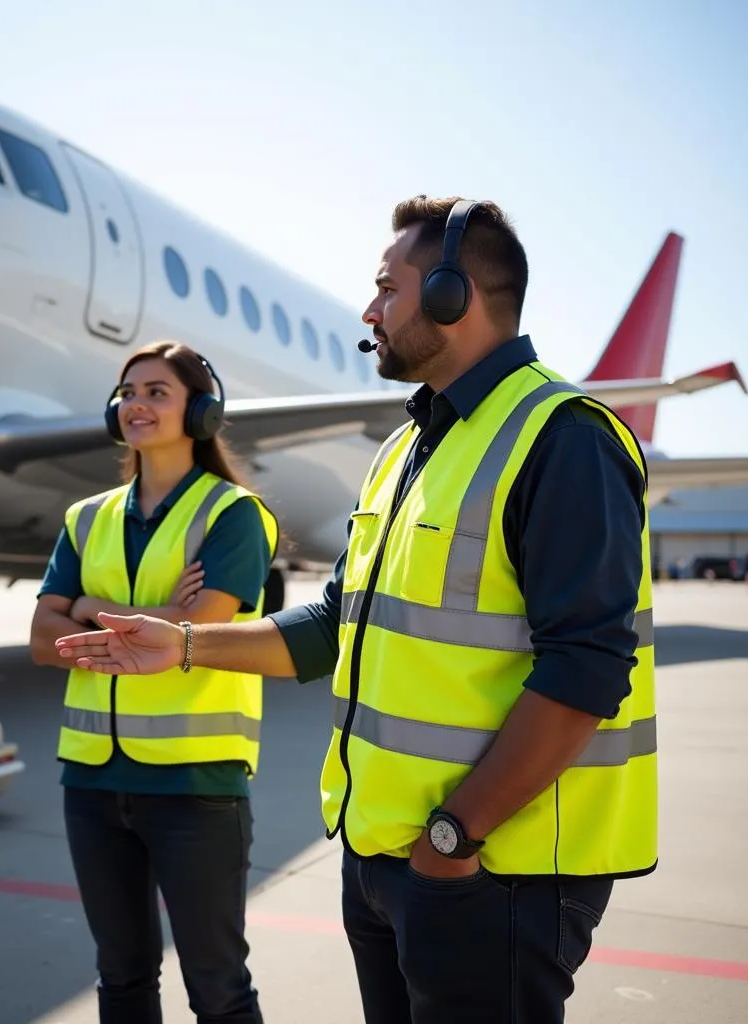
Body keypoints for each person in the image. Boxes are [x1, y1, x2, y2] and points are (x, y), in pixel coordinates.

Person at [53, 197, 658, 1024]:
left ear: (454, 295)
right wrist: (185, 644)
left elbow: (587, 670)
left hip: (494, 867)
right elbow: (340, 622)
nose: (369, 310)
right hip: (386, 855)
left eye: (387, 287)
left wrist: (452, 840)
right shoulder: (406, 449)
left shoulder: (563, 436)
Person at [29, 340, 279, 1024]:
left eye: (157, 392)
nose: (135, 404)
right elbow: (40, 640)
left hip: (194, 785)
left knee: (218, 987)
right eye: (127, 392)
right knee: (122, 978)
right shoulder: (86, 519)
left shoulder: (233, 514)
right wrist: (157, 616)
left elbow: (203, 628)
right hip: (91, 783)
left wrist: (81, 609)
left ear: (201, 411)